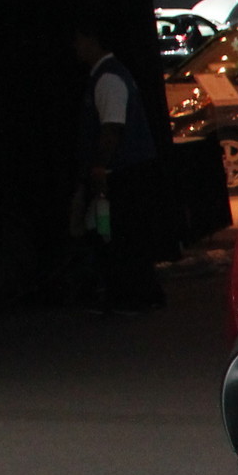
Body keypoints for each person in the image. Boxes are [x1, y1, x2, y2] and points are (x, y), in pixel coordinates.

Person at [73, 22, 166, 312]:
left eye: (78, 40)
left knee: (123, 236)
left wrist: (100, 166)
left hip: (124, 170)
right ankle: (139, 294)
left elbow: (112, 127)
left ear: (91, 39)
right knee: (129, 234)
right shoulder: (110, 75)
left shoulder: (108, 78)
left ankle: (132, 295)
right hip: (132, 167)